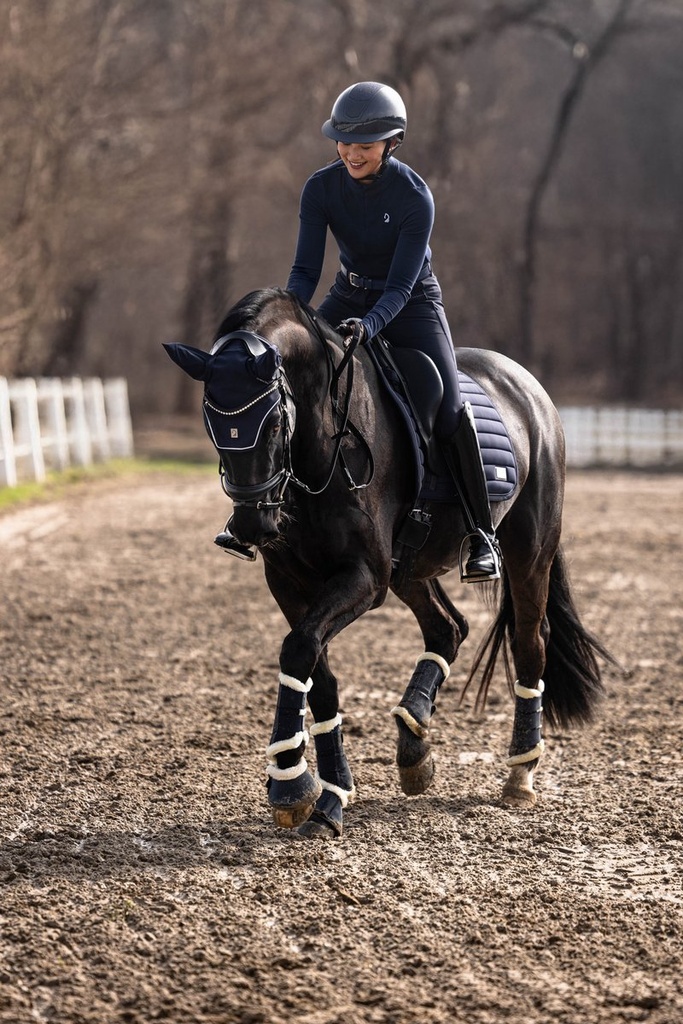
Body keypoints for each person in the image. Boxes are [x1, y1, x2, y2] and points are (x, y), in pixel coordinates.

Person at [285, 81, 501, 582]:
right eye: (343, 142)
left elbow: (400, 287)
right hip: (348, 293)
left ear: (392, 143)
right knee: (297, 377)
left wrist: (372, 324)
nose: (351, 153)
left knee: (447, 403)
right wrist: (289, 314)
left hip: (412, 303)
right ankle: (269, 511)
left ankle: (481, 533)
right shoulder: (320, 188)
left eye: (364, 146)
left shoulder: (414, 197)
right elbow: (303, 273)